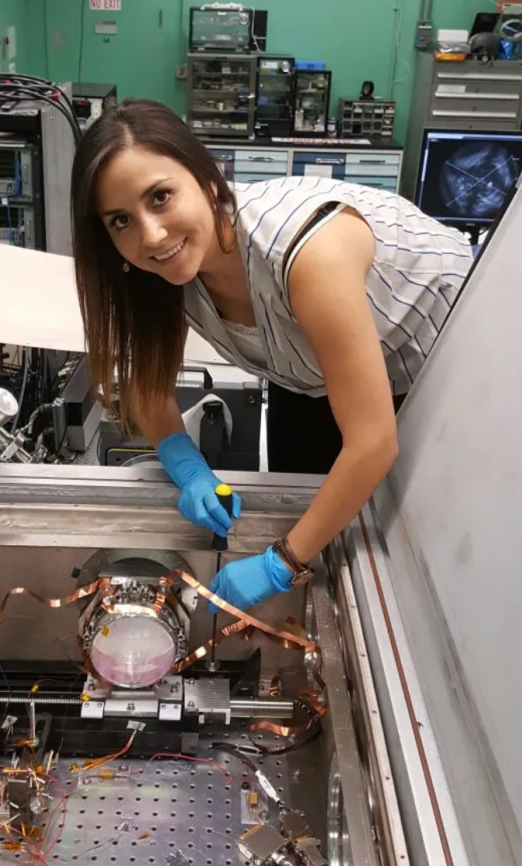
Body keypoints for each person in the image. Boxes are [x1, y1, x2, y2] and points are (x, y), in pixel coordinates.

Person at [71, 100, 472, 611]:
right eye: (121, 220)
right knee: (305, 510)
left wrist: (280, 562)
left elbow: (372, 442)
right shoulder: (157, 270)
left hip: (444, 359)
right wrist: (185, 465)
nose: (151, 235)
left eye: (161, 196)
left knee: (402, 549)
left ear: (210, 180)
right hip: (307, 372)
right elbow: (149, 384)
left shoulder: (306, 253)